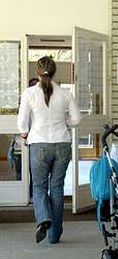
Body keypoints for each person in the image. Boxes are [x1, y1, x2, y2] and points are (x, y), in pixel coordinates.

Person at [17, 56, 81, 244]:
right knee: (57, 188)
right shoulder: (65, 93)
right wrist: (65, 122)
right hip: (62, 144)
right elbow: (76, 119)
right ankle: (54, 235)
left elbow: (22, 122)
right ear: (54, 72)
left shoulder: (29, 93)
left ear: (37, 72)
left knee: (39, 186)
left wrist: (24, 134)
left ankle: (44, 217)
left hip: (38, 144)